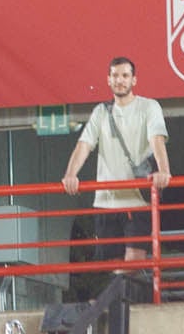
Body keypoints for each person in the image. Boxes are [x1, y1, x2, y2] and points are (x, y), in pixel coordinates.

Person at [60, 57, 171, 263]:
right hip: (105, 201)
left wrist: (164, 170)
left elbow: (157, 139)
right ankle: (123, 296)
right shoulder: (100, 112)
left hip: (137, 199)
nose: (120, 80)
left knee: (135, 259)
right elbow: (84, 145)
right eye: (115, 75)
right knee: (114, 264)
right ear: (108, 80)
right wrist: (70, 174)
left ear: (134, 80)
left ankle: (110, 297)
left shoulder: (149, 107)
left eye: (125, 76)